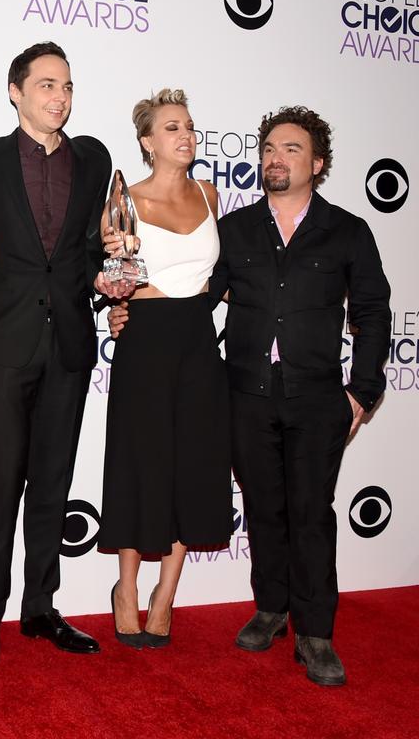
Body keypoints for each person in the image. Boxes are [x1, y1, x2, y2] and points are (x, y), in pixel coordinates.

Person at [111, 106, 392, 685]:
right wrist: (124, 307)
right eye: (267, 148)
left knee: (310, 512)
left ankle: (316, 634)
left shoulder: (347, 231)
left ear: (317, 163)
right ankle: (271, 610)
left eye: (290, 149)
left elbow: (371, 311)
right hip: (244, 391)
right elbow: (193, 292)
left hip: (317, 396)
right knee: (263, 508)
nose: (274, 158)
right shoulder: (234, 229)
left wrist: (361, 392)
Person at [0, 41, 124, 667]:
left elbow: (89, 250)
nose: (60, 97)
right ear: (16, 92)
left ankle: (40, 609)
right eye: (47, 85)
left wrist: (105, 280)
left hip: (70, 345)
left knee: (54, 482)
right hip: (2, 345)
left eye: (67, 86)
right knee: (1, 483)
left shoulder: (93, 158)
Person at [97, 89, 232, 650]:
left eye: (191, 126)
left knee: (193, 464)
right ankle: (126, 588)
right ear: (149, 142)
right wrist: (115, 301)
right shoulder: (122, 199)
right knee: (139, 462)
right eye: (172, 127)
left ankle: (166, 593)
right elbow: (108, 273)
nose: (186, 135)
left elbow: (224, 272)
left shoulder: (211, 194)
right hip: (144, 341)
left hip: (199, 341)